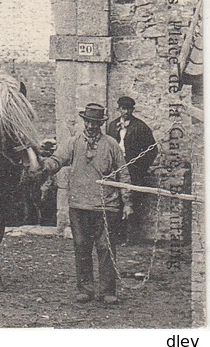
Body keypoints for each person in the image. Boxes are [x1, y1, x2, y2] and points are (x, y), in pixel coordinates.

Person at [41, 102, 132, 306]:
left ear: (100, 124)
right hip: (79, 205)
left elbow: (124, 173)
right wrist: (44, 165)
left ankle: (108, 291)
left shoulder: (111, 145)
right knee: (81, 247)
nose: (91, 126)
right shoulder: (73, 143)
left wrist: (127, 202)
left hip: (106, 206)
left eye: (95, 123)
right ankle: (85, 289)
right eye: (88, 122)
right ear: (84, 122)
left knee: (105, 247)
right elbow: (57, 160)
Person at [107, 96, 159, 241]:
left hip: (133, 169)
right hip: (115, 169)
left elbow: (152, 150)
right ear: (118, 109)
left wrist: (141, 167)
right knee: (115, 200)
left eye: (129, 109)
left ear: (132, 110)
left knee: (132, 201)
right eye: (123, 108)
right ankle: (117, 235)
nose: (126, 112)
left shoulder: (140, 127)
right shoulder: (112, 126)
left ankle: (132, 236)